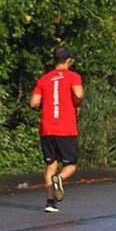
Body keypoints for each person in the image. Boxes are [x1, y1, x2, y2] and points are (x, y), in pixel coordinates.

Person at [29, 46, 84, 213]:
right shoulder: (73, 76)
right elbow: (79, 94)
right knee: (71, 165)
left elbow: (34, 103)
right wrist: (76, 103)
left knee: (51, 164)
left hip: (47, 128)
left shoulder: (44, 79)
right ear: (68, 61)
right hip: (66, 128)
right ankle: (59, 180)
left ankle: (50, 202)